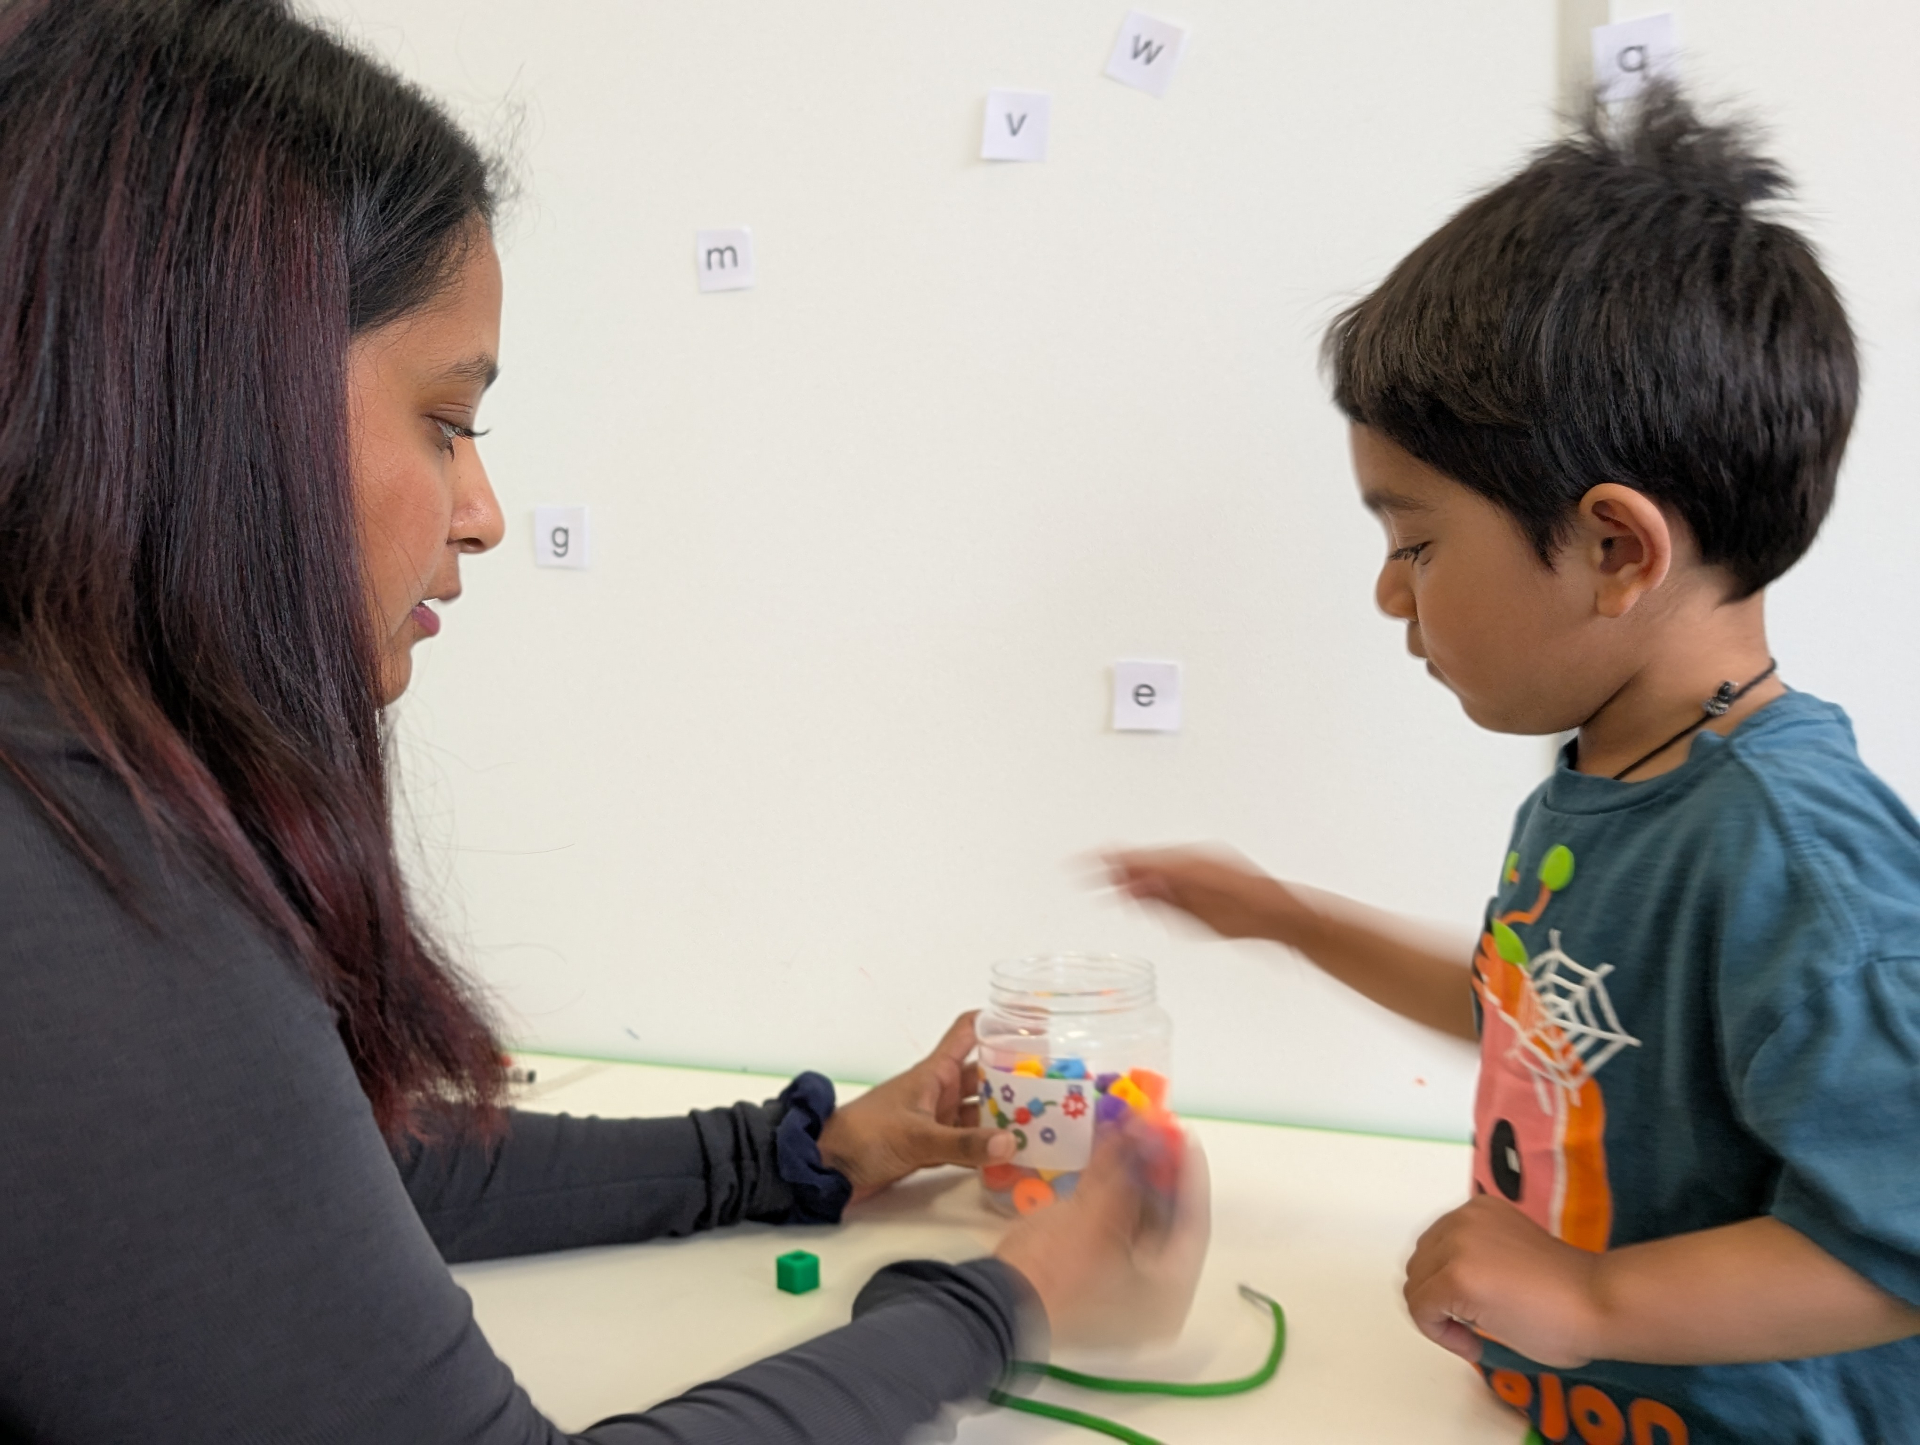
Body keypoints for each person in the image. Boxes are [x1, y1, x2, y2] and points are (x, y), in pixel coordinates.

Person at [0, 1, 1204, 1441]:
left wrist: (801, 1151)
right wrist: (1010, 1297)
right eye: (447, 422)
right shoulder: (74, 887)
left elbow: (327, 1179)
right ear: (216, 397)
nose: (483, 514)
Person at [1108, 86, 1920, 1443]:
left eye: (1414, 540)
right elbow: (1549, 1027)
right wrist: (1293, 918)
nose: (1389, 592)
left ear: (1616, 549)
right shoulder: (1617, 770)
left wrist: (1595, 1303)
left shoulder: (1794, 857)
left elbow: (1899, 1235)